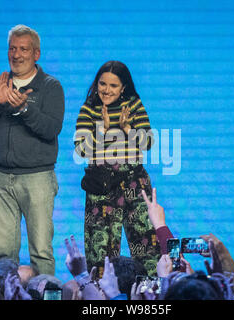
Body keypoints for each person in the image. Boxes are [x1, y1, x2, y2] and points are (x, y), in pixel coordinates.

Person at [0, 24, 65, 276]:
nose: (16, 54)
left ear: (36, 54)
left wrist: (24, 109)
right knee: (4, 256)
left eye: (23, 49)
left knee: (41, 253)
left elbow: (51, 128)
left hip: (37, 179)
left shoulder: (50, 86)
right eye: (12, 48)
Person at [74, 60, 160, 277]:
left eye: (113, 85)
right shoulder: (88, 109)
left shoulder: (134, 106)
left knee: (146, 248)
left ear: (123, 87)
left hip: (134, 182)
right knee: (100, 253)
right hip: (101, 184)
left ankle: (148, 295)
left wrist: (128, 128)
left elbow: (148, 143)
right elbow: (81, 149)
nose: (106, 90)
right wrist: (102, 129)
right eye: (102, 84)